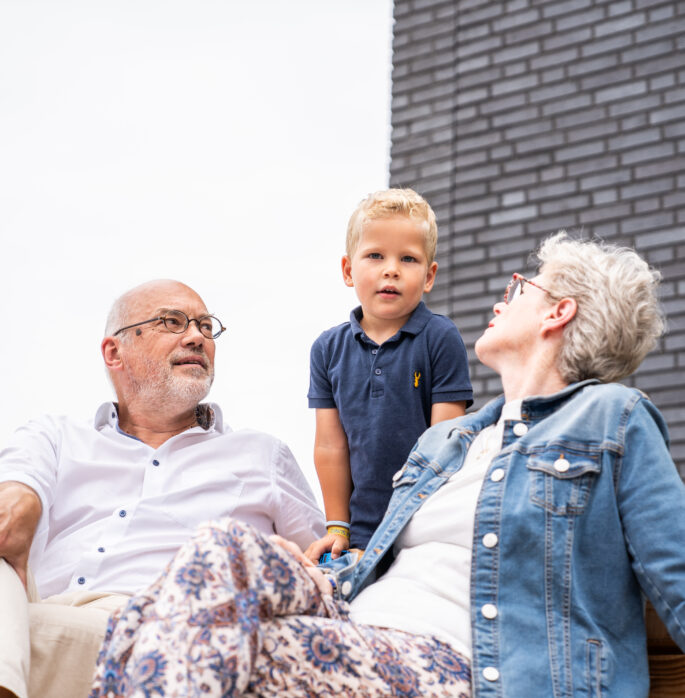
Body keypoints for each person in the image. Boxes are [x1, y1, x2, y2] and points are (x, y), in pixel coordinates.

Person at [91, 233, 685, 697]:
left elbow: (677, 572)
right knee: (214, 552)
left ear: (559, 313)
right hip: (354, 619)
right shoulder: (449, 441)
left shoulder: (613, 418)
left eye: (523, 286)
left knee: (170, 637)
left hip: (461, 664)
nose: (505, 296)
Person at [0, 279, 324, 698]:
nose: (196, 337)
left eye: (206, 327)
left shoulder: (262, 455)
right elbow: (12, 505)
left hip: (172, 635)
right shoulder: (55, 437)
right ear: (114, 352)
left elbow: (322, 567)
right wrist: (20, 505)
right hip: (35, 617)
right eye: (172, 322)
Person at [306, 188, 473, 561]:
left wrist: (423, 524)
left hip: (425, 524)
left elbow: (444, 443)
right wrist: (338, 527)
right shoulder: (326, 349)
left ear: (429, 277)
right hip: (359, 532)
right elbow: (331, 446)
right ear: (349, 270)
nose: (391, 269)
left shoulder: (440, 338)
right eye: (376, 255)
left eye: (408, 259)